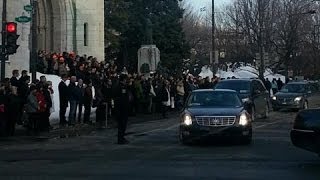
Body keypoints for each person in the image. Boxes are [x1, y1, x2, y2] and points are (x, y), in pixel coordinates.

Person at [114, 74, 130, 144]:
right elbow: (122, 98)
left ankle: (121, 138)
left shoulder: (118, 86)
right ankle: (121, 139)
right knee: (122, 124)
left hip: (120, 108)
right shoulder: (122, 87)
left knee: (121, 124)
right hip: (122, 108)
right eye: (125, 79)